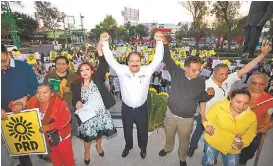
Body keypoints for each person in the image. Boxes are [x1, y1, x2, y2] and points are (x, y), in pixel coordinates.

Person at [187, 43, 273, 157]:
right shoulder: (206, 84)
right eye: (221, 74)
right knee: (198, 132)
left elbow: (245, 69)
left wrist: (262, 55)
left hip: (221, 115)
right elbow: (202, 101)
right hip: (206, 114)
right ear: (214, 73)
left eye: (226, 73)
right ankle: (192, 147)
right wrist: (203, 116)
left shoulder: (229, 79)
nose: (224, 76)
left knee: (214, 135)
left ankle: (209, 153)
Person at [101, 31, 164, 159]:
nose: (135, 63)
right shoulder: (122, 70)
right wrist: (105, 42)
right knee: (127, 130)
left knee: (142, 131)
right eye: (131, 61)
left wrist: (159, 42)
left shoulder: (147, 71)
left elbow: (158, 59)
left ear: (141, 62)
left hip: (141, 109)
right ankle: (128, 146)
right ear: (127, 62)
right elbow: (110, 59)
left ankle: (143, 148)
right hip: (127, 109)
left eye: (137, 61)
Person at [158, 37, 215, 166]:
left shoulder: (201, 81)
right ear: (186, 68)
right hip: (170, 114)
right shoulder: (177, 72)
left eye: (199, 69)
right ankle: (167, 148)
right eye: (194, 70)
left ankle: (182, 158)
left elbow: (201, 98)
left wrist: (209, 94)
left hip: (187, 119)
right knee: (169, 135)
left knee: (184, 140)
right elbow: (167, 58)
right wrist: (166, 44)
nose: (197, 72)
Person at [71, 42, 117, 165]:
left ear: (92, 71)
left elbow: (103, 64)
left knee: (99, 132)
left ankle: (99, 146)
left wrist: (99, 51)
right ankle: (86, 153)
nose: (84, 71)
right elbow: (74, 99)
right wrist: (77, 103)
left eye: (87, 69)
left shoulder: (97, 79)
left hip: (101, 113)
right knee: (87, 137)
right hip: (87, 116)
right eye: (82, 70)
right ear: (79, 72)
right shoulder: (75, 85)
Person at [1, 43, 39, 166]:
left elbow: (35, 86)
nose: (1, 65)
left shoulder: (23, 67)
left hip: (22, 114)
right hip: (3, 116)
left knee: (22, 145)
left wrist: (24, 99)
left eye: (2, 60)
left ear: (7, 53)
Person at [202, 88, 257, 166]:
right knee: (208, 162)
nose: (242, 106)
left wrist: (243, 142)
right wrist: (208, 125)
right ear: (231, 99)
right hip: (214, 140)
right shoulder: (219, 106)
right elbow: (209, 117)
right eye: (238, 102)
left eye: (246, 103)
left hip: (232, 147)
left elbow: (251, 132)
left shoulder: (251, 116)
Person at [26, 83, 75, 166]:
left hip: (61, 136)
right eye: (38, 92)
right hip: (46, 136)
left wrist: (49, 127)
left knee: (67, 158)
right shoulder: (33, 100)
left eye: (45, 92)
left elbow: (66, 119)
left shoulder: (60, 103)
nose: (41, 95)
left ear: (52, 94)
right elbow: (26, 110)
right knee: (54, 157)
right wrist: (15, 105)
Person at [239, 72, 273, 166]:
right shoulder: (239, 93)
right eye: (254, 83)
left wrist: (269, 125)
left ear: (266, 84)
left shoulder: (270, 99)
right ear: (250, 82)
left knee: (248, 153)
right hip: (235, 129)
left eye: (261, 84)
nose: (257, 86)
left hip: (255, 132)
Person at [43, 56, 77, 137]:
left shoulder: (73, 76)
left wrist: (70, 90)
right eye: (58, 64)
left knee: (69, 122)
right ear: (55, 65)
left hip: (69, 105)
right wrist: (53, 92)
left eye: (63, 64)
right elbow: (43, 88)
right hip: (54, 104)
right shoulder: (50, 75)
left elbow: (80, 90)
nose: (61, 66)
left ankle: (70, 134)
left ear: (68, 65)